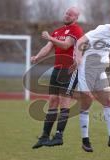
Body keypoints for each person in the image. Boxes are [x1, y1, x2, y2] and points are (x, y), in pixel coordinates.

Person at [69, 16, 110, 152]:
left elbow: (100, 50)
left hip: (99, 70)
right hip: (87, 68)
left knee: (108, 101)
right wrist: (78, 58)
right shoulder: (102, 29)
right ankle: (85, 140)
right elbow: (81, 41)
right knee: (87, 102)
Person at [31, 6, 83, 149]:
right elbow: (48, 48)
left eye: (70, 14)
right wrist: (37, 57)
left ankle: (59, 136)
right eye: (66, 13)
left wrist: (50, 37)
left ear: (76, 18)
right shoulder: (57, 31)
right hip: (57, 69)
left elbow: (66, 45)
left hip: (69, 70)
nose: (67, 15)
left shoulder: (76, 30)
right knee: (53, 101)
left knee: (64, 101)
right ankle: (44, 136)